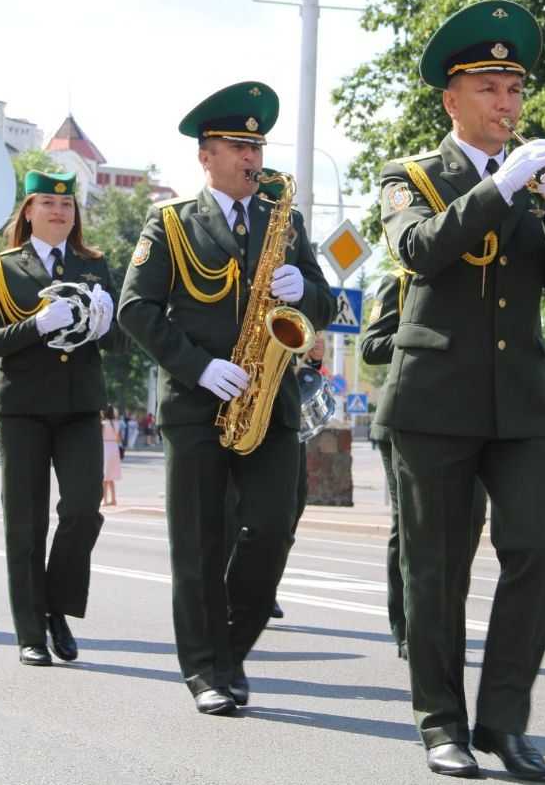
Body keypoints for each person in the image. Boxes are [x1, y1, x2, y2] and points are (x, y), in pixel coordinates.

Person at [376, 0, 545, 779]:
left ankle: (503, 720)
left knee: (537, 551)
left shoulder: (539, 183)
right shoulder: (410, 178)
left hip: (521, 401)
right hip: (434, 400)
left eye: (514, 89)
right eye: (491, 88)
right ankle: (442, 722)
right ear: (451, 99)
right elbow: (424, 251)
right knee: (436, 568)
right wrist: (502, 187)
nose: (507, 104)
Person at [117, 81, 333, 716]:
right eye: (239, 145)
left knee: (272, 525)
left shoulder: (284, 221)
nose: (252, 156)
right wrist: (198, 367)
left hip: (272, 402)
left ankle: (231, 648)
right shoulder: (171, 222)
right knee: (200, 542)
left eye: (257, 144)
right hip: (197, 406)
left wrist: (306, 291)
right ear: (205, 155)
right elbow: (135, 308)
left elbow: (327, 301)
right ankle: (206, 671)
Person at [0, 169, 127, 667]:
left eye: (67, 204)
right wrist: (34, 325)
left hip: (80, 405)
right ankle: (29, 630)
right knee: (25, 521)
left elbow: (124, 337)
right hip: (22, 409)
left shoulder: (94, 264)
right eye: (47, 203)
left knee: (84, 509)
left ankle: (57, 605)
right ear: (29, 211)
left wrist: (106, 323)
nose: (60, 211)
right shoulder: (1, 268)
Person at [363, 271, 487, 661]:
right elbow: (371, 346)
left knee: (470, 523)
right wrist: (425, 335)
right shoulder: (399, 281)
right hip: (407, 420)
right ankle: (408, 627)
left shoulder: (478, 280)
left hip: (470, 422)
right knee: (412, 528)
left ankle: (446, 617)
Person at [101, 405, 122, 507]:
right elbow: (119, 439)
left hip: (106, 448)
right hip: (114, 448)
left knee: (104, 476)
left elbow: (100, 437)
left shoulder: (104, 423)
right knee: (111, 476)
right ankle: (113, 499)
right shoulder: (116, 423)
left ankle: (104, 499)